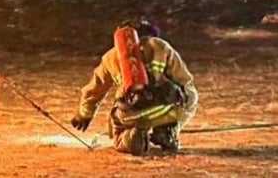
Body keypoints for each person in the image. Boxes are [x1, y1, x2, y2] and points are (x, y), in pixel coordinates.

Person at [70, 19, 199, 154]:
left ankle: (129, 138)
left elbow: (94, 91)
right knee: (191, 97)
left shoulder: (110, 56)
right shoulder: (161, 46)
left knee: (118, 132)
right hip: (162, 109)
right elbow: (186, 83)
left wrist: (84, 115)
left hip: (128, 114)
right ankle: (166, 131)